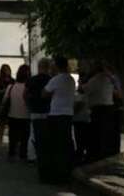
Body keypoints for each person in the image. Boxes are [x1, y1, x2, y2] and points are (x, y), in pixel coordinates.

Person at [41, 56, 75, 184]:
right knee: (65, 143)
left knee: (55, 144)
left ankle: (55, 173)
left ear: (56, 66)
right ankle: (66, 171)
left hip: (55, 115)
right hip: (68, 114)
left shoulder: (55, 80)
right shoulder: (71, 79)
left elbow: (44, 93)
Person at [83, 62, 121, 161]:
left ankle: (98, 154)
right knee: (108, 132)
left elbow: (85, 90)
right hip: (110, 108)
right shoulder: (110, 79)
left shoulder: (94, 80)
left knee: (97, 133)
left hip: (98, 109)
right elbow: (118, 93)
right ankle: (108, 152)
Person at [26, 58, 52, 168]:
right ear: (48, 67)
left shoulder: (32, 80)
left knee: (33, 133)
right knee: (47, 134)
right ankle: (45, 155)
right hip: (47, 110)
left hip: (34, 110)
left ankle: (31, 156)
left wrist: (29, 106)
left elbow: (25, 94)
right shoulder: (51, 80)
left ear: (38, 67)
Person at [2, 64, 31, 161]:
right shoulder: (29, 88)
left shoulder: (11, 87)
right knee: (24, 138)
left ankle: (11, 154)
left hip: (12, 115)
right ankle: (23, 155)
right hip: (26, 116)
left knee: (12, 137)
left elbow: (5, 100)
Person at [0, 64, 14, 144]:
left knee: (10, 121)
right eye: (5, 70)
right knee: (1, 121)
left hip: (10, 102)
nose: (7, 71)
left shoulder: (12, 80)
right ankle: (0, 138)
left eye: (8, 69)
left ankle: (9, 138)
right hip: (1, 103)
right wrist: (2, 91)